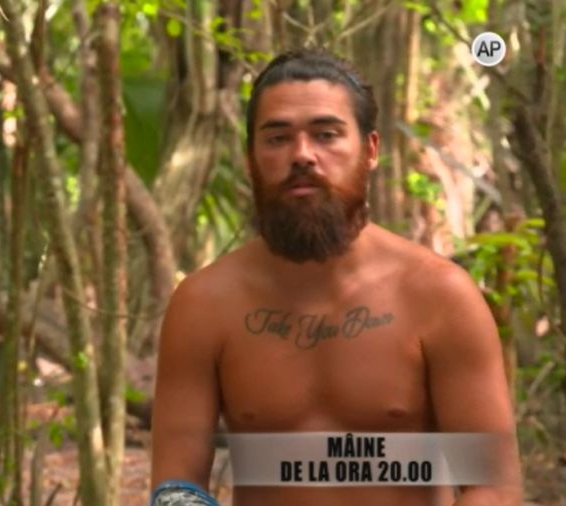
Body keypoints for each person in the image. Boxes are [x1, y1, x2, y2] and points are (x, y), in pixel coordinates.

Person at [149, 49, 521, 506]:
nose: (302, 155)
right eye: (277, 138)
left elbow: (492, 488)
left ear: (370, 150)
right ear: (250, 157)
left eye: (326, 135)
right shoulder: (204, 304)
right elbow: (177, 487)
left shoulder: (439, 297)